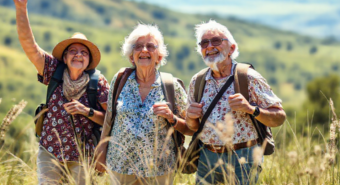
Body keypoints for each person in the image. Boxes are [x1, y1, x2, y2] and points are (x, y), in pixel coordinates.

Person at [9, 0, 109, 184]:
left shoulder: (98, 82)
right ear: (64, 58)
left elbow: (110, 120)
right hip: (50, 151)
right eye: (73, 51)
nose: (78, 55)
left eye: (84, 52)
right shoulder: (54, 70)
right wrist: (21, 7)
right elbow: (29, 45)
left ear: (89, 60)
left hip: (83, 156)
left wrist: (86, 111)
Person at [186, 20, 286, 185]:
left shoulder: (249, 77)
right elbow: (194, 127)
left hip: (243, 157)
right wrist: (190, 117)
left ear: (231, 48)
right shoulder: (198, 81)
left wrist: (251, 109)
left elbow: (279, 117)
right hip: (207, 157)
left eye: (216, 41)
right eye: (204, 43)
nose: (209, 46)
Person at [95, 24, 193, 185]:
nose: (144, 50)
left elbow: (190, 128)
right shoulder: (120, 80)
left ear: (159, 57)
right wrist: (101, 148)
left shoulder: (171, 85)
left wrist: (171, 117)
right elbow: (109, 118)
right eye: (138, 46)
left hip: (158, 169)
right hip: (120, 165)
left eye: (150, 46)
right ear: (131, 56)